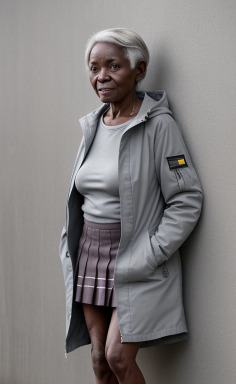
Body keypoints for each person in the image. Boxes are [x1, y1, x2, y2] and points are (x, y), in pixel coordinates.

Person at [59, 28, 203, 384]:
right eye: (94, 68)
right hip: (90, 251)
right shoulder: (93, 125)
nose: (101, 76)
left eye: (113, 66)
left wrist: (151, 254)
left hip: (134, 254)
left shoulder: (159, 126)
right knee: (99, 360)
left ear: (139, 71)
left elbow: (187, 199)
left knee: (118, 357)